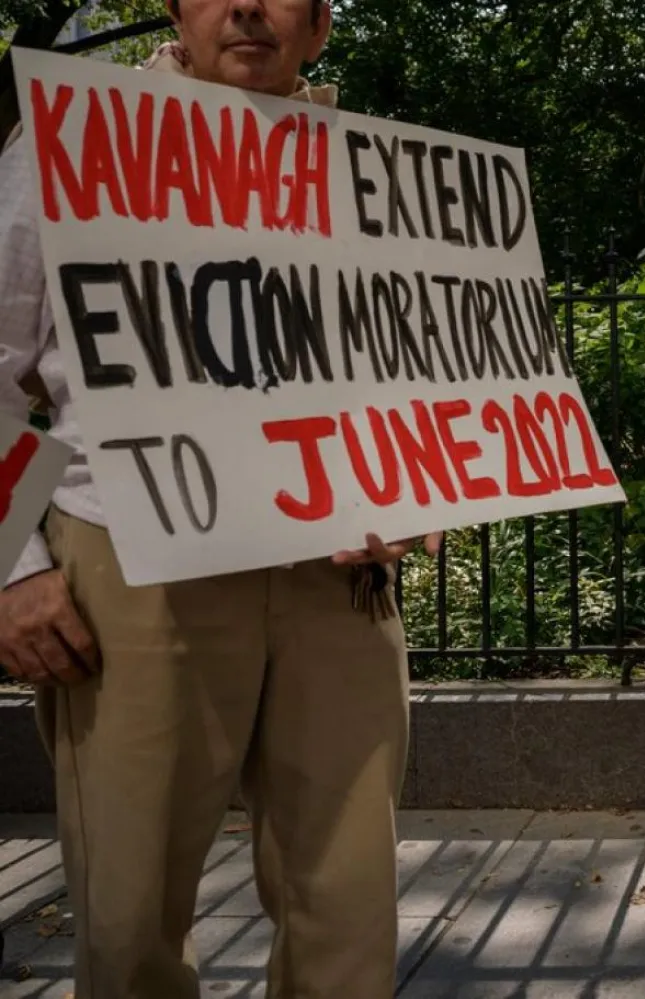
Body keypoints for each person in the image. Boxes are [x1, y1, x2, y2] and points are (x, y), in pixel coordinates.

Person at [0, 2, 440, 995]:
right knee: (129, 921)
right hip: (132, 573)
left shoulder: (366, 174)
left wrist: (408, 486)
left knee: (349, 907)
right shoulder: (71, 137)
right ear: (177, 11)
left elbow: (410, 373)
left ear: (320, 27)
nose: (246, 4)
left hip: (336, 580)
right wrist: (14, 571)